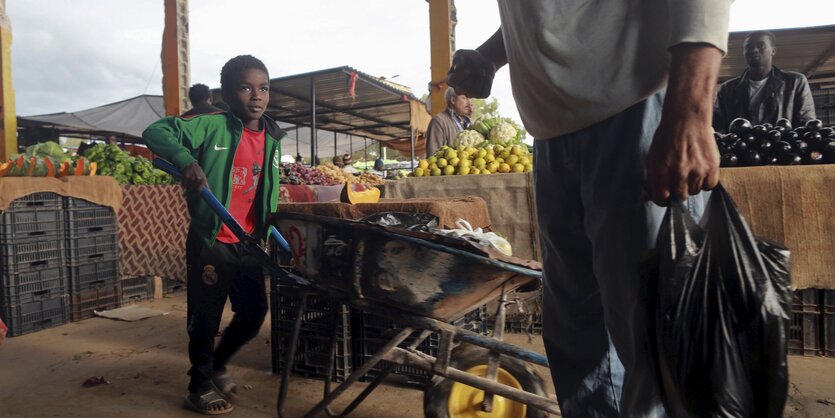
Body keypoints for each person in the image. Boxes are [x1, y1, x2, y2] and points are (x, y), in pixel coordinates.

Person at [447, 2, 731, 417]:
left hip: (635, 114)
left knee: (658, 344)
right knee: (578, 345)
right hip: (550, 138)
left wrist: (691, 112)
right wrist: (491, 55)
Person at [143, 55, 284, 416]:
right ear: (226, 93)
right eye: (246, 87)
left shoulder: (272, 134)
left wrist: (268, 228)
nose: (257, 96)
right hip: (213, 238)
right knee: (205, 319)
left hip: (249, 239)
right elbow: (156, 132)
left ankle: (218, 365)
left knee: (254, 311)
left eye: (263, 88)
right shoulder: (212, 124)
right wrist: (187, 161)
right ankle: (199, 386)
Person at [714, 30, 816, 132]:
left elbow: (806, 126)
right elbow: (719, 128)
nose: (754, 50)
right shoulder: (727, 89)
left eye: (760, 46)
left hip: (782, 147)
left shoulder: (795, 82)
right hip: (742, 147)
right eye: (748, 47)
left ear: (773, 51)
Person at [425, 86, 472, 158]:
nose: (469, 102)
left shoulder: (469, 124)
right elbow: (432, 156)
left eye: (470, 98)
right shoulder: (439, 121)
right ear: (453, 100)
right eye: (464, 98)